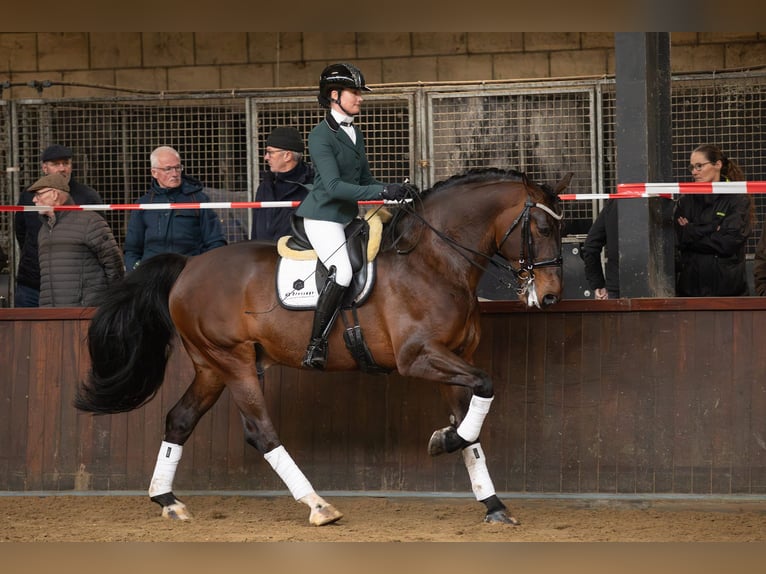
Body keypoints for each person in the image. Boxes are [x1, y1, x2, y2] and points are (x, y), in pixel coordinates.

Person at [295, 62, 412, 369]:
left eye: (360, 93)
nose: (360, 98)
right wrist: (381, 192)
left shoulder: (354, 133)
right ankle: (315, 344)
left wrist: (392, 189)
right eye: (355, 93)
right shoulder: (320, 135)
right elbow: (333, 187)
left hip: (347, 217)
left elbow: (364, 183)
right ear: (334, 95)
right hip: (324, 218)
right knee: (343, 271)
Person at [14, 144, 103, 307]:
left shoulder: (87, 196)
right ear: (45, 168)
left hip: (73, 288)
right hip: (31, 283)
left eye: (66, 163)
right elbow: (21, 232)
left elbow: (101, 241)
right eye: (56, 164)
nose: (62, 168)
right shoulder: (28, 196)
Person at [124, 146, 227, 271]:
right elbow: (131, 250)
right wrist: (138, 270)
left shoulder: (198, 200)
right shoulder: (144, 204)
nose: (175, 173)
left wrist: (203, 270)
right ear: (154, 173)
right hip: (152, 275)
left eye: (178, 167)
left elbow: (215, 242)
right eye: (168, 169)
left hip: (189, 273)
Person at [30, 173, 124, 307]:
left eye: (39, 194)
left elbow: (114, 264)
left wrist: (110, 303)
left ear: (55, 194)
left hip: (86, 312)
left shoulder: (90, 221)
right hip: (51, 315)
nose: (34, 200)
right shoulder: (43, 231)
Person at [674, 143, 752, 297]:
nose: (694, 172)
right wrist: (713, 228)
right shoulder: (685, 200)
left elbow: (728, 243)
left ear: (717, 165)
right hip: (691, 291)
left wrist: (692, 229)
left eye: (699, 166)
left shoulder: (737, 198)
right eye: (692, 167)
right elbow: (680, 238)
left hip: (729, 292)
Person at [251, 127, 313, 241]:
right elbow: (255, 230)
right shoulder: (265, 186)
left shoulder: (314, 187)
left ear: (287, 156)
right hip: (264, 256)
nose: (266, 157)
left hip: (299, 256)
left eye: (270, 152)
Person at [580, 199, 619, 299]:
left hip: (617, 286)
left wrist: (598, 284)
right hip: (660, 287)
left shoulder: (614, 204)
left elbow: (590, 246)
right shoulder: (662, 196)